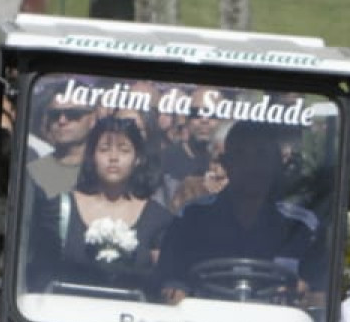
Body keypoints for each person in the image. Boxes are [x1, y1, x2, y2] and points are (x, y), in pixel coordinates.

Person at [154, 121, 319, 303]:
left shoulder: (303, 227)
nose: (252, 166)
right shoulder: (191, 218)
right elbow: (167, 281)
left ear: (277, 163)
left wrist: (305, 294)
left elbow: (325, 297)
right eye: (241, 156)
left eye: (261, 156)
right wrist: (176, 292)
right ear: (226, 163)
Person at [27, 115, 172, 293]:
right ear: (92, 156)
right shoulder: (61, 208)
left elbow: (165, 282)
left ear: (138, 159)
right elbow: (42, 270)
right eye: (104, 149)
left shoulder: (158, 218)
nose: (113, 158)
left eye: (124, 150)